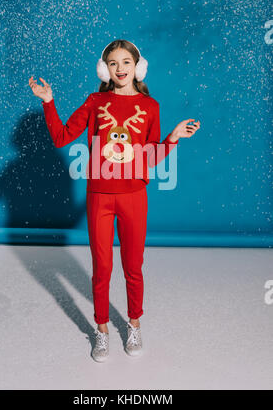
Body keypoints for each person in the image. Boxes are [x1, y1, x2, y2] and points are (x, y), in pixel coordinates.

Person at [29, 39, 200, 363]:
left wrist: (173, 138)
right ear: (104, 69)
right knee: (102, 268)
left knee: (133, 267)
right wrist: (49, 102)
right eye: (113, 63)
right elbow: (62, 137)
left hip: (134, 197)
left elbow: (150, 158)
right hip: (100, 199)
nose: (120, 69)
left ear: (138, 66)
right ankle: (102, 329)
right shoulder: (95, 101)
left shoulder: (151, 107)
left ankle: (134, 323)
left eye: (125, 62)